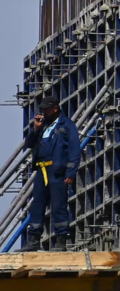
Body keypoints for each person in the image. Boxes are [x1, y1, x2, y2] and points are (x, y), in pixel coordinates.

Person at [17, 95, 80, 252]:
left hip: (57, 172)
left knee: (58, 205)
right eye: (42, 109)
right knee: (37, 204)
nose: (43, 112)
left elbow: (74, 151)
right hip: (41, 170)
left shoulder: (67, 125)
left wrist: (70, 173)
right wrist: (36, 128)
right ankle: (33, 240)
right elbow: (30, 144)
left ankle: (60, 240)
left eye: (46, 109)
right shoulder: (43, 125)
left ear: (55, 108)